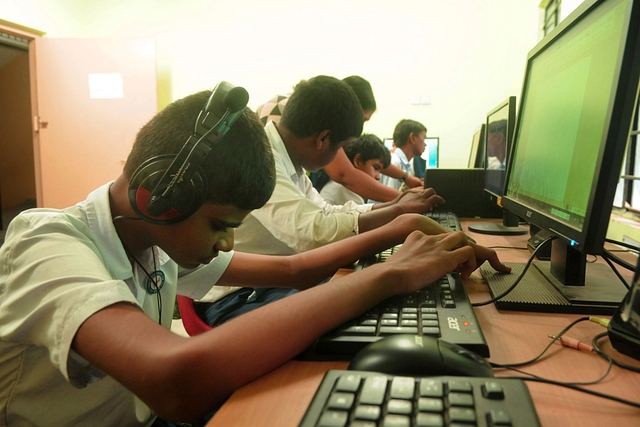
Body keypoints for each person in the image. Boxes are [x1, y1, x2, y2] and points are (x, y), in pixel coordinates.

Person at [0, 85, 510, 426]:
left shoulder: (152, 236)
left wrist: (400, 229)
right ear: (156, 197)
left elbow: (293, 270)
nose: (227, 243)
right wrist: (389, 277)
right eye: (222, 226)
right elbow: (175, 379)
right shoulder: (45, 243)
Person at [196, 76, 445, 325]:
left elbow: (324, 212)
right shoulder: (261, 159)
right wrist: (398, 218)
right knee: (355, 314)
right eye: (341, 147)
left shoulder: (289, 160)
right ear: (323, 138)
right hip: (240, 296)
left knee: (370, 303)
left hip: (270, 284)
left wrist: (391, 207)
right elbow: (313, 233)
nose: (339, 157)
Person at [255, 75, 422, 201]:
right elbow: (345, 174)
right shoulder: (304, 123)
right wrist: (404, 200)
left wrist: (406, 178)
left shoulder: (306, 105)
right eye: (362, 118)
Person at [320, 133, 391, 205]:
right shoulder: (347, 193)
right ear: (358, 161)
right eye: (376, 168)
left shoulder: (339, 186)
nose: (378, 177)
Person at [380, 119, 428, 190]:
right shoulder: (395, 162)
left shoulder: (403, 164)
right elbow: (387, 199)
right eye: (423, 139)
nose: (425, 144)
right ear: (412, 138)